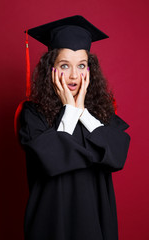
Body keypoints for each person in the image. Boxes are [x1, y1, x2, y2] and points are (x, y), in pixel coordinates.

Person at [18, 15, 130, 240]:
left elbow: (117, 156)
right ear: (51, 68)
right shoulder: (32, 114)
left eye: (81, 65)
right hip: (51, 221)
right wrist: (69, 109)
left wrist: (82, 112)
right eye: (64, 65)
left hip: (96, 220)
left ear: (90, 70)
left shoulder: (102, 114)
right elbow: (51, 160)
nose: (73, 75)